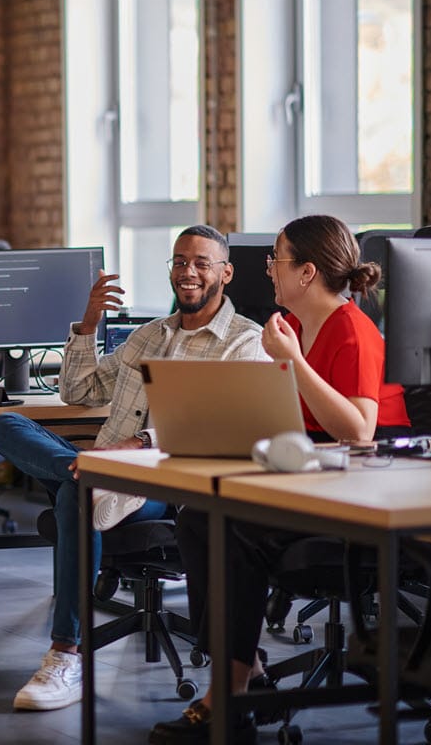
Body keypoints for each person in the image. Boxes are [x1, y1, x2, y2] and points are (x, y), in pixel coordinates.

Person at [151, 214, 411, 745]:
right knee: (198, 517)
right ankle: (246, 673)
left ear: (308, 272)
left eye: (277, 259)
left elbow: (359, 430)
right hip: (309, 478)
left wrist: (292, 364)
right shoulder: (294, 327)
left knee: (235, 528)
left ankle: (230, 695)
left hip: (358, 493)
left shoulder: (352, 330)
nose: (267, 269)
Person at [0, 224, 267, 712]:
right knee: (6, 424)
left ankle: (65, 654)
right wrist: (88, 324)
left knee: (77, 492)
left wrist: (138, 442)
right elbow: (78, 392)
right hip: (105, 472)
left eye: (202, 262)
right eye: (180, 261)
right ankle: (82, 468)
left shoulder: (244, 343)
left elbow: (225, 428)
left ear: (226, 272)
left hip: (168, 487)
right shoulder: (147, 337)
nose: (188, 272)